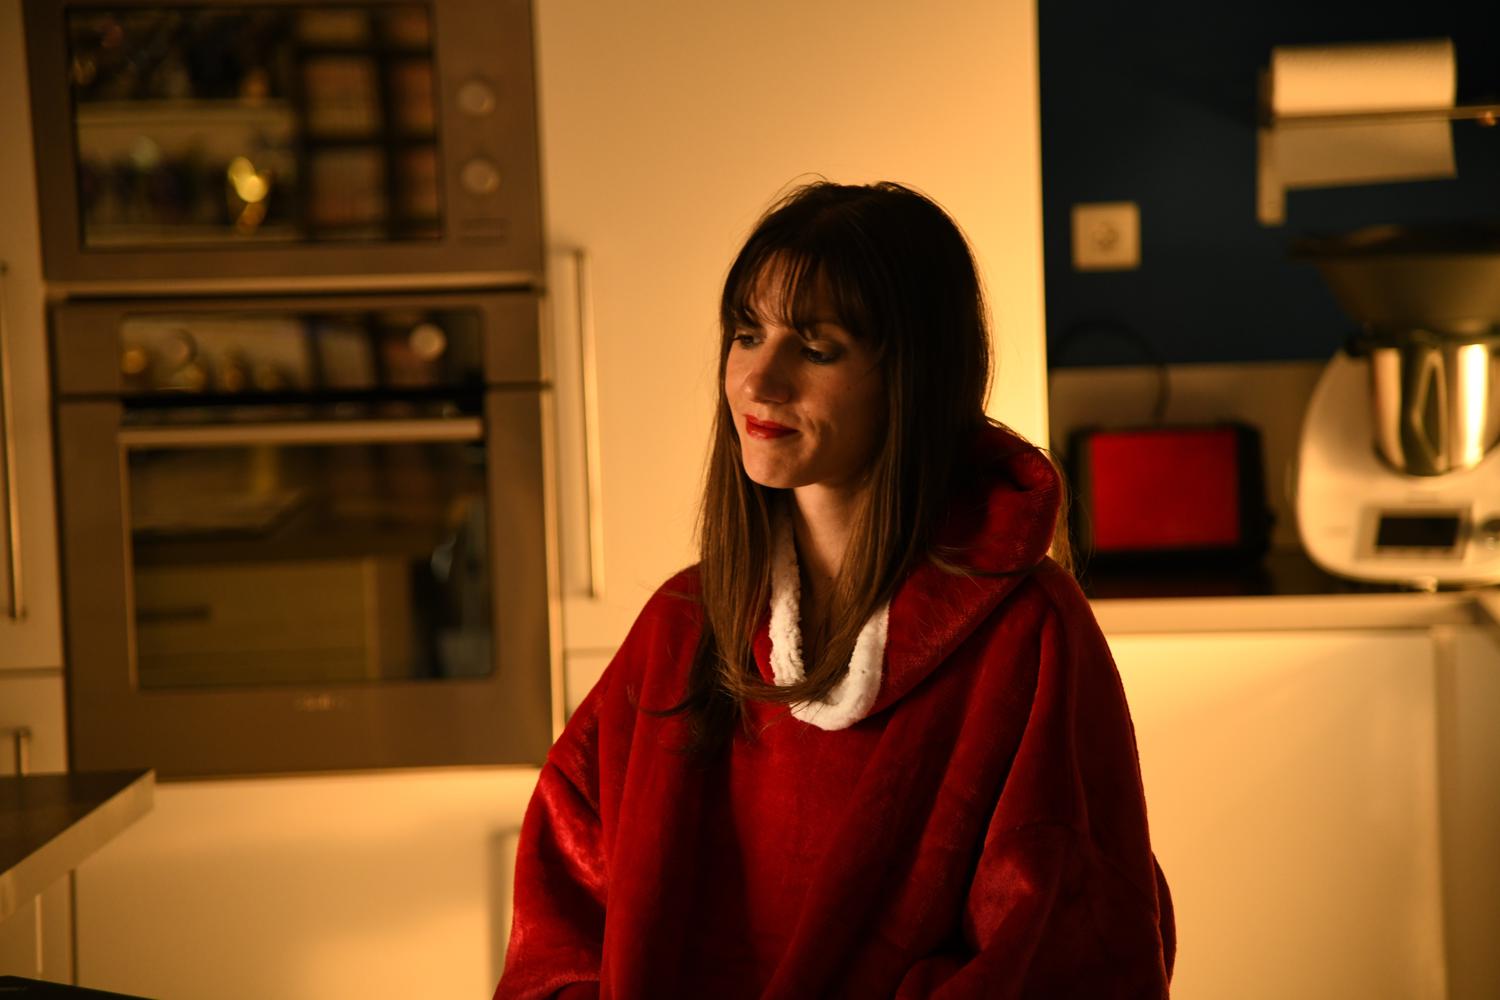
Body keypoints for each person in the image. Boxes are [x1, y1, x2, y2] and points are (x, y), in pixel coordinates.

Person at [495, 181, 1175, 998]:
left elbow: (1068, 946)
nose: (759, 382)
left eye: (817, 349)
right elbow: (561, 913)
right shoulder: (682, 625)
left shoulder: (1028, 636)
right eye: (747, 335)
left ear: (914, 378)